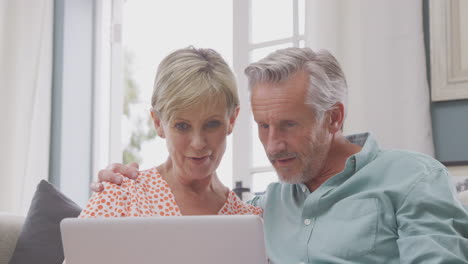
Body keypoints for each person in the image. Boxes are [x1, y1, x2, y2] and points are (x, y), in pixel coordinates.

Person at [93, 47, 468, 263]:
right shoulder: (263, 209)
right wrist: (117, 186)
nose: (272, 146)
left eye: (289, 125)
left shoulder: (412, 179)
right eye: (263, 126)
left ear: (333, 117)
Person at [80, 47, 262, 218]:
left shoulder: (245, 217)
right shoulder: (121, 196)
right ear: (158, 123)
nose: (198, 143)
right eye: (182, 126)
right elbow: (77, 252)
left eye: (212, 124)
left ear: (231, 119)